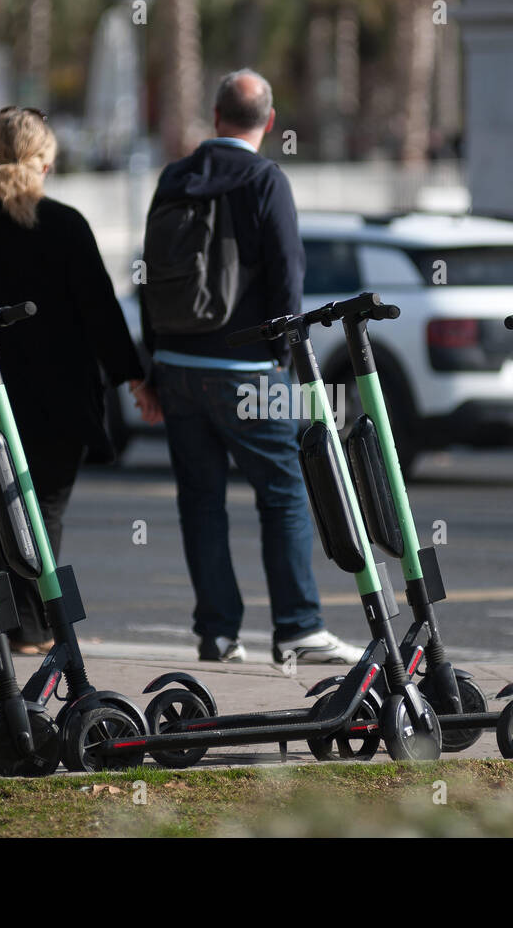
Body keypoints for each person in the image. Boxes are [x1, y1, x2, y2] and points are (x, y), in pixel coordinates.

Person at [138, 68, 364, 665]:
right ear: (268, 123)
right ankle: (297, 626)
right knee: (284, 494)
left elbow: (149, 277)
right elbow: (289, 278)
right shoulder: (266, 179)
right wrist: (284, 362)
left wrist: (150, 367)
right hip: (248, 370)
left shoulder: (174, 177)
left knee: (202, 500)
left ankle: (217, 632)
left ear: (214, 118)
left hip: (176, 364)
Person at [0, 106, 151, 654]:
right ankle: (34, 630)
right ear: (46, 162)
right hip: (59, 398)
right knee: (39, 510)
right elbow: (100, 310)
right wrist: (134, 377)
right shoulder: (67, 225)